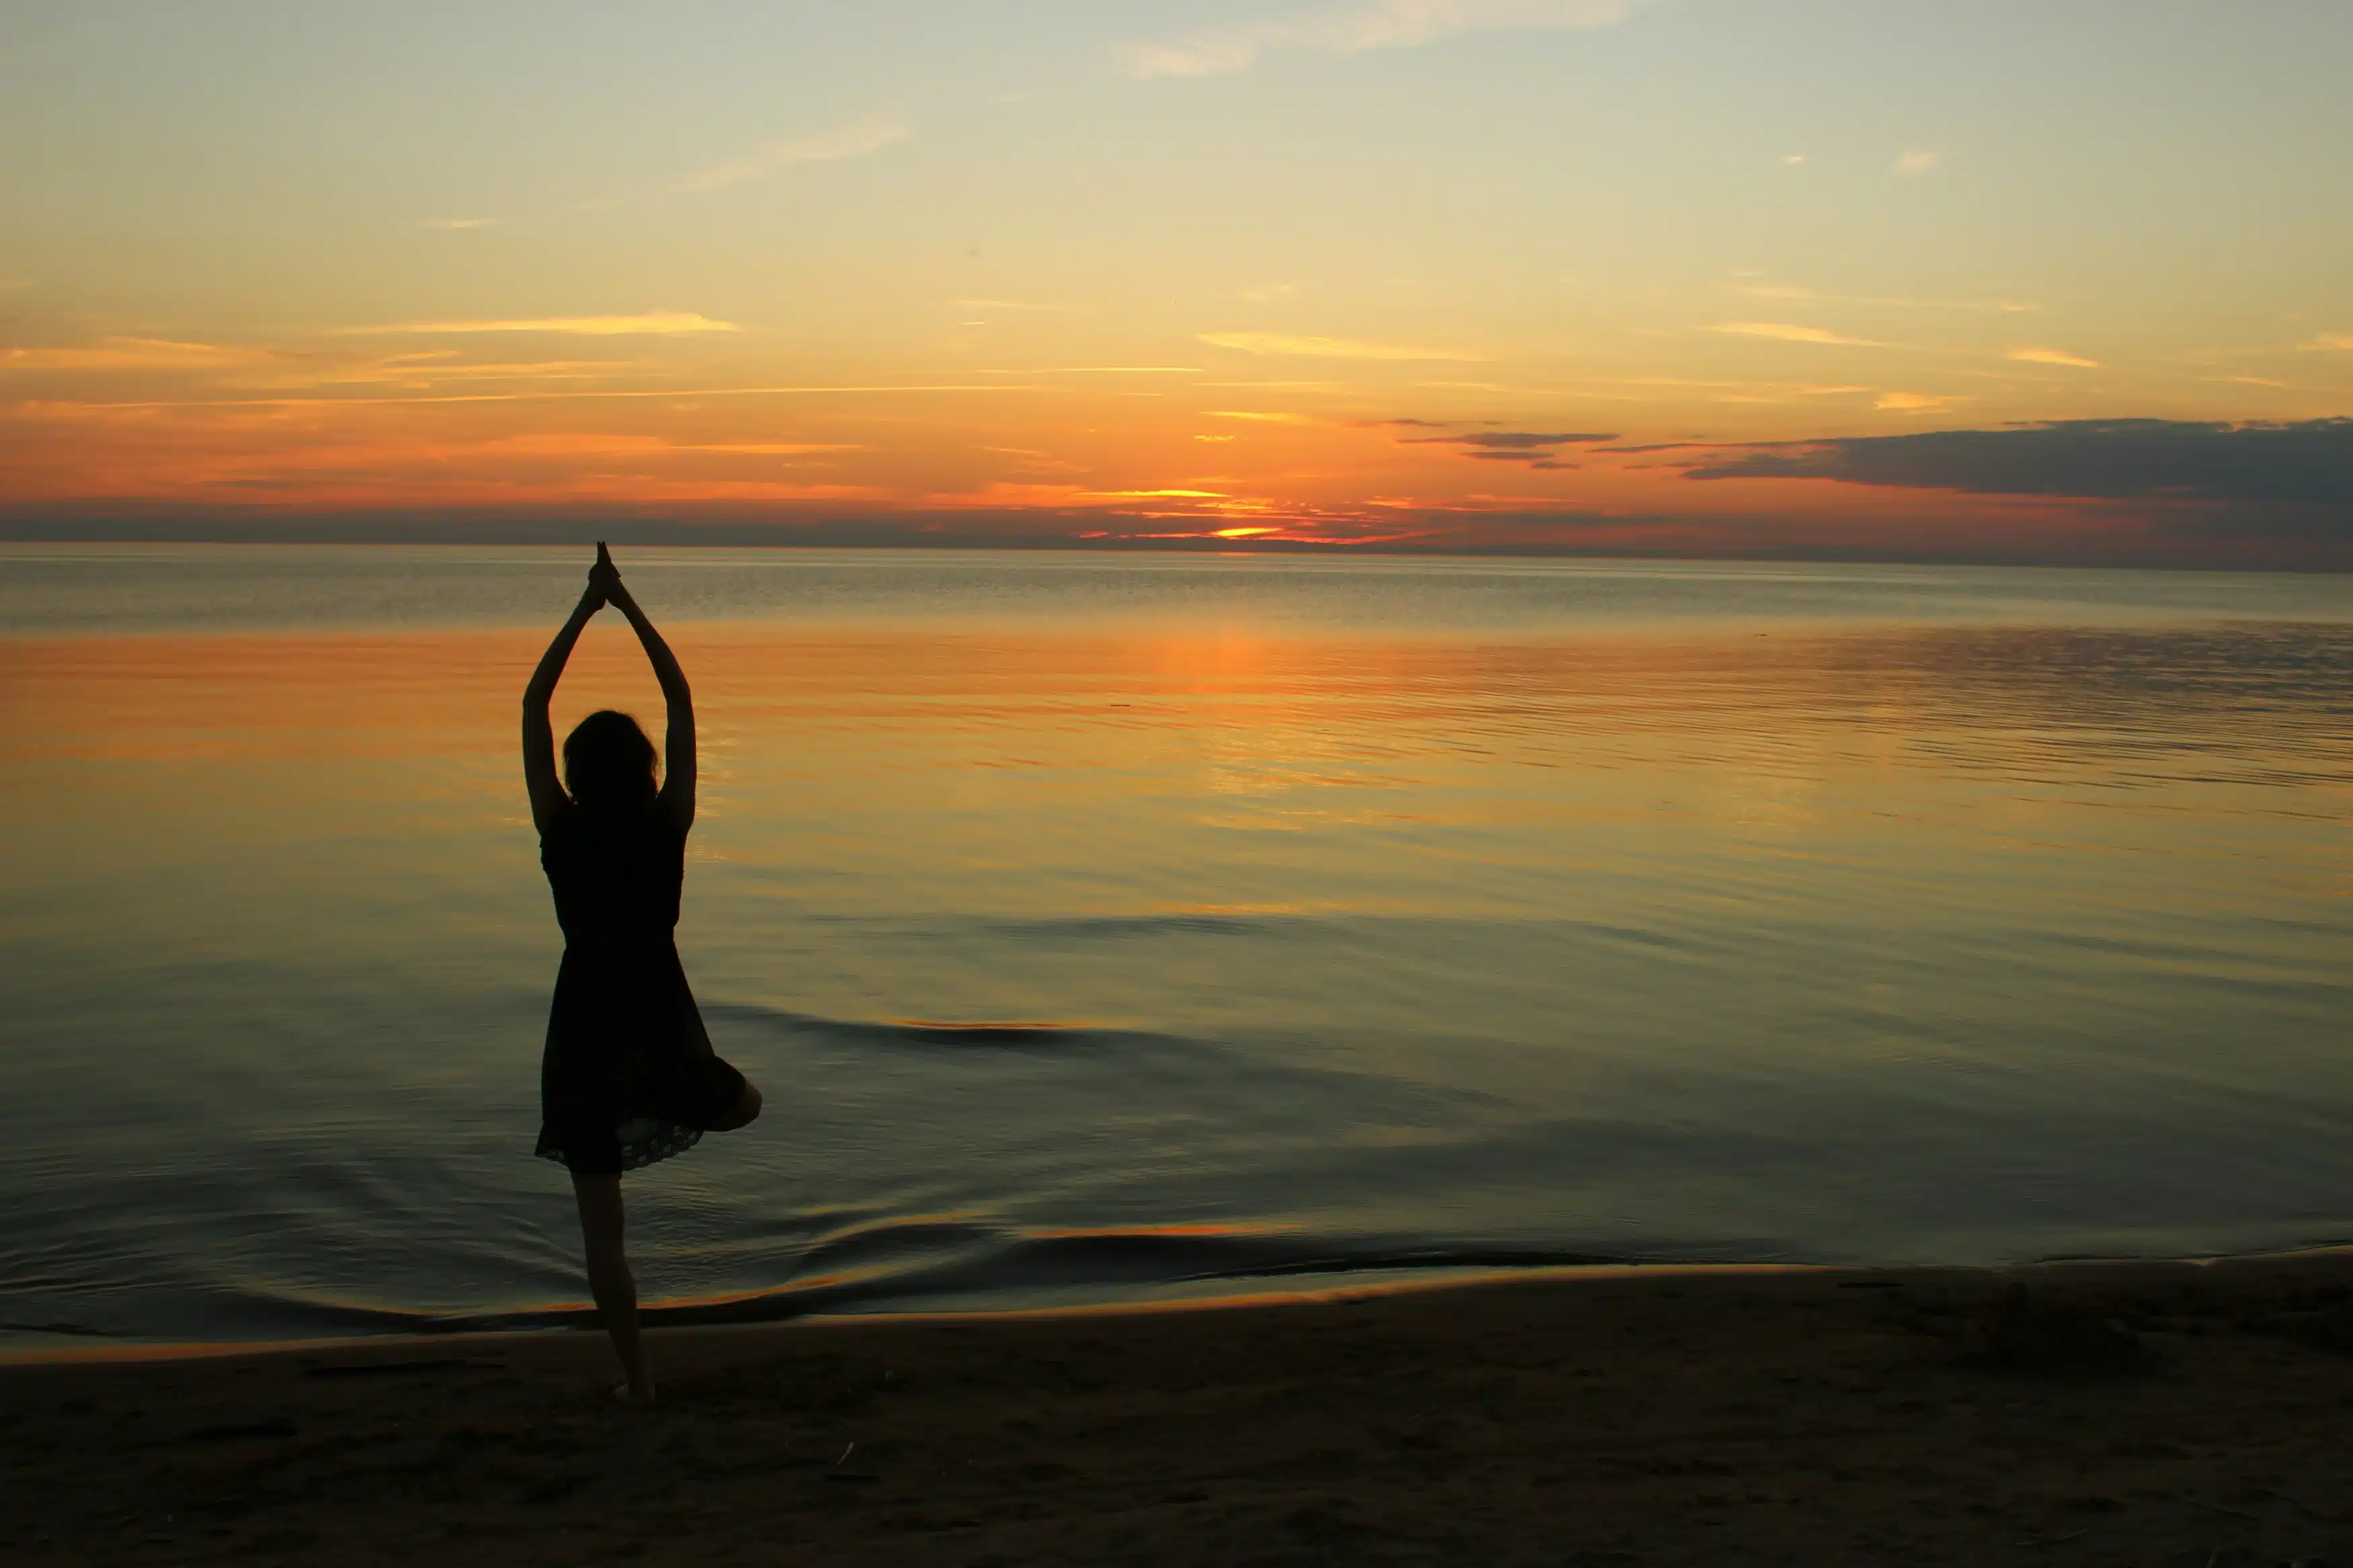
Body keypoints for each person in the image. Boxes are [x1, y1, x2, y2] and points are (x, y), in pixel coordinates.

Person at [522, 542, 762, 1405]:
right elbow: (682, 699)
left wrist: (586, 611)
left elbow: (534, 703)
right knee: (746, 1104)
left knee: (603, 1237)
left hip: (584, 1034)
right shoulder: (667, 826)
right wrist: (627, 608)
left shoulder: (561, 829)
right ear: (647, 771)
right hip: (657, 1026)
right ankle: (658, 1098)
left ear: (577, 777)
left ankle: (641, 1384)